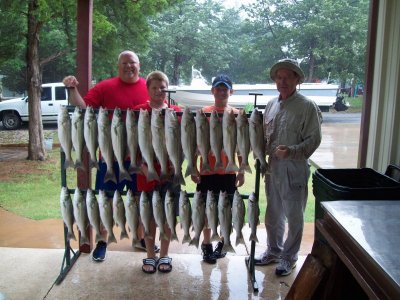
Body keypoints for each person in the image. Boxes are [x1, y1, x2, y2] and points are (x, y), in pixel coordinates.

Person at [62, 50, 159, 261]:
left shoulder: (148, 87)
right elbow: (83, 108)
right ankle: (103, 241)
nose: (128, 66)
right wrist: (72, 88)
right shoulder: (105, 87)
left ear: (139, 65)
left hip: (139, 161)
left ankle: (140, 238)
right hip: (109, 159)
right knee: (105, 200)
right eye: (124, 63)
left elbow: (163, 109)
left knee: (140, 200)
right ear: (118, 66)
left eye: (132, 63)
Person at [254, 58, 322, 276]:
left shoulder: (307, 106)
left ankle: (289, 257)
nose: (282, 81)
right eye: (279, 77)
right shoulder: (272, 105)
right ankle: (273, 251)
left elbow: (314, 140)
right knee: (273, 214)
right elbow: (265, 136)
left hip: (294, 170)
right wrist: (259, 154)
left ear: (297, 79)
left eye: (287, 77)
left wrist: (291, 151)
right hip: (272, 169)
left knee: (294, 216)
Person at [191, 74, 245, 264]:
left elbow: (240, 144)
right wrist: (193, 169)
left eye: (225, 88)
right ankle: (206, 245)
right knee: (206, 210)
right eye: (218, 88)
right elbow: (194, 143)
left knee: (226, 211)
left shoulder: (237, 114)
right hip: (206, 172)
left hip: (228, 173)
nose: (222, 91)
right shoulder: (203, 113)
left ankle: (222, 242)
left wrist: (241, 170)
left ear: (231, 91)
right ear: (212, 90)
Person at [134, 70, 182, 274]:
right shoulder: (138, 111)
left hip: (170, 174)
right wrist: (142, 167)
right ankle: (150, 256)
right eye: (154, 88)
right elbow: (130, 145)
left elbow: (183, 144)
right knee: (149, 218)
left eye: (162, 88)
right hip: (146, 175)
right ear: (148, 89)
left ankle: (164, 254)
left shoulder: (176, 112)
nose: (159, 91)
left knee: (167, 216)